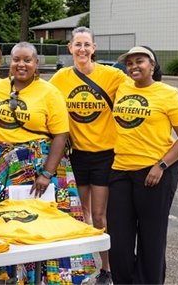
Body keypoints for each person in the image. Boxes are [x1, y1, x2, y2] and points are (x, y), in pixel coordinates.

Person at [0, 41, 93, 285]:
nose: (21, 64)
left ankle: (44, 279)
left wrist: (46, 173)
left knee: (43, 223)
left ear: (36, 63)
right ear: (10, 62)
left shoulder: (49, 92)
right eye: (17, 59)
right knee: (6, 221)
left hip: (39, 165)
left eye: (27, 60)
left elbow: (61, 134)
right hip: (3, 168)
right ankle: (9, 277)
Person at [108, 46, 178, 284]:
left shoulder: (168, 95)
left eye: (140, 61)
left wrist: (161, 165)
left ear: (152, 66)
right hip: (121, 169)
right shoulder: (122, 86)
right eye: (130, 62)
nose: (134, 66)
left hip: (156, 172)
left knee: (151, 237)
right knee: (119, 239)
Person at [49, 26, 127, 285]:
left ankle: (107, 268)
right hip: (77, 155)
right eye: (77, 44)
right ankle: (82, 268)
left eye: (87, 44)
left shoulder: (112, 76)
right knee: (81, 214)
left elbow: (141, 89)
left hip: (105, 154)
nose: (82, 49)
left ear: (94, 48)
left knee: (100, 214)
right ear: (70, 48)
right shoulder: (60, 78)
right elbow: (43, 99)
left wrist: (174, 93)